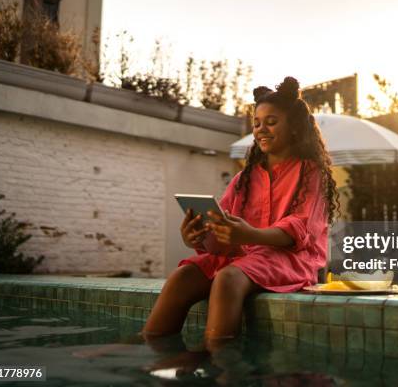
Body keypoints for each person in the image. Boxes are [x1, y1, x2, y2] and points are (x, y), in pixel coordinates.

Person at [142, 76, 339, 349]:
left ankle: (219, 358)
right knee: (183, 276)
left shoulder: (311, 173)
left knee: (228, 278)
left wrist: (251, 233)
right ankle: (149, 347)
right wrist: (197, 237)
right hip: (243, 257)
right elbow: (225, 232)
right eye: (257, 123)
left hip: (291, 259)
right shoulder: (244, 178)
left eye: (271, 122)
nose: (261, 130)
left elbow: (300, 227)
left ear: (294, 127)